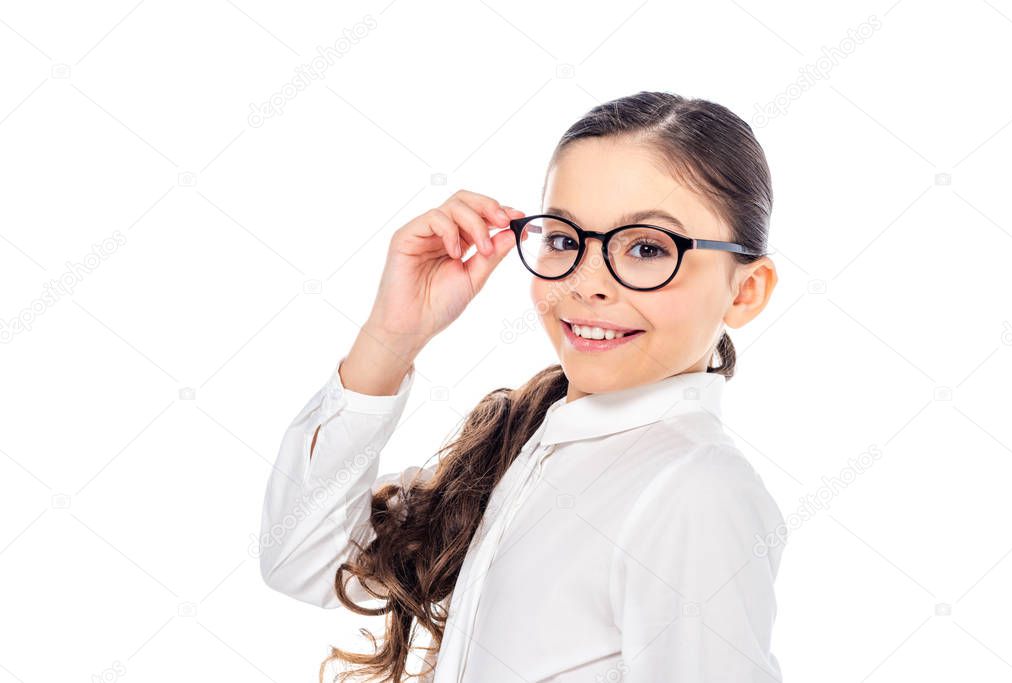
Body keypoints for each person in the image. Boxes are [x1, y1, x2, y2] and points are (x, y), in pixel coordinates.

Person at [259, 90, 786, 682]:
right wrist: (392, 335)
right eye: (564, 239)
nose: (588, 284)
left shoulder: (695, 489)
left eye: (646, 248)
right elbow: (304, 558)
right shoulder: (524, 446)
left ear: (745, 291)